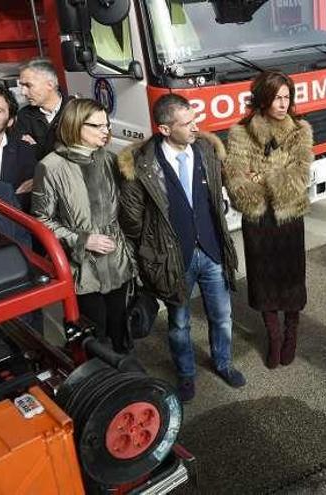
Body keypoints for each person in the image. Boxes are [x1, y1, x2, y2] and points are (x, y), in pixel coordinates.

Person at [117, 94, 244, 402]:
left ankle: (223, 363)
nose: (195, 128)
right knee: (179, 324)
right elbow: (132, 219)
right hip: (173, 260)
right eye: (186, 124)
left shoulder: (206, 150)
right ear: (164, 128)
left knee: (222, 316)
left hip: (212, 251)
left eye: (194, 120)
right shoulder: (142, 165)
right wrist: (154, 246)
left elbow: (218, 193)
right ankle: (186, 375)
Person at [223, 71, 313, 369]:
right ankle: (273, 338)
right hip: (258, 218)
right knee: (263, 282)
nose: (283, 103)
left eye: (287, 97)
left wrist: (263, 175)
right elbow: (236, 180)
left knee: (291, 280)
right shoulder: (241, 132)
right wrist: (271, 178)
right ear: (263, 98)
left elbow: (300, 177)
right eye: (277, 97)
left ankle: (291, 335)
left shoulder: (300, 130)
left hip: (289, 217)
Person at [31, 98, 136, 353]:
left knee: (121, 326)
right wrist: (83, 239)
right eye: (97, 126)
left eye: (107, 125)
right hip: (82, 268)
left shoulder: (109, 159)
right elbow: (40, 219)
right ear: (75, 125)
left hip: (117, 259)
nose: (105, 131)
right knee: (94, 332)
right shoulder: (50, 166)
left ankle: (126, 377)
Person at [15, 59, 71, 160]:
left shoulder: (75, 110)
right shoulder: (24, 116)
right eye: (22, 86)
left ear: (50, 85)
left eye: (28, 85)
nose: (23, 92)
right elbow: (25, 156)